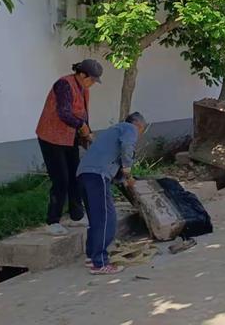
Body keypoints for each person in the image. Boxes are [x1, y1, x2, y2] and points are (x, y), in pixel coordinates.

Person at [36, 59, 103, 236]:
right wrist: (82, 127)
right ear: (82, 75)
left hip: (69, 138)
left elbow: (83, 115)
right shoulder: (63, 84)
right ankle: (52, 221)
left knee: (75, 176)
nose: (93, 83)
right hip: (51, 137)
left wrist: (88, 134)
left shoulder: (84, 88)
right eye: (92, 79)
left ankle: (76, 216)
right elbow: (64, 113)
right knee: (61, 180)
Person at [77, 112, 147, 275]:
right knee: (107, 218)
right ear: (139, 125)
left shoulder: (111, 131)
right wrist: (128, 172)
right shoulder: (130, 128)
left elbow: (113, 167)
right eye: (141, 130)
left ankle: (91, 257)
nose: (139, 135)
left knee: (96, 218)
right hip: (98, 175)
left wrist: (123, 179)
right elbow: (127, 147)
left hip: (83, 174)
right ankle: (100, 263)